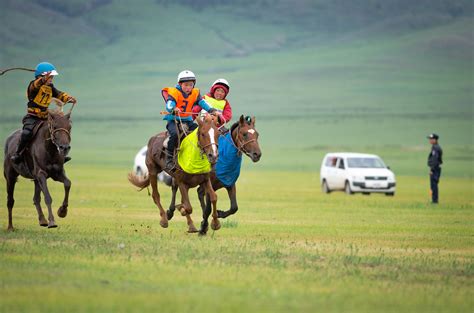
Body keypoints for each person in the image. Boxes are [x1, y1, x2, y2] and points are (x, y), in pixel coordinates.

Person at [11, 62, 77, 164]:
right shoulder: (33, 86)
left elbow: (59, 94)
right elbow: (36, 85)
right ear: (42, 76)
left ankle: (61, 156)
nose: (51, 79)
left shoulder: (50, 87)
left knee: (58, 131)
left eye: (51, 77)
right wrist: (43, 79)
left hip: (45, 117)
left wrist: (68, 98)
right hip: (33, 117)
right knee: (26, 133)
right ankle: (18, 154)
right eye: (50, 77)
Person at [161, 70, 217, 171]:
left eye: (190, 85)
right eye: (185, 85)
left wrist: (212, 110)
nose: (188, 88)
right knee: (174, 134)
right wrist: (173, 109)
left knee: (200, 133)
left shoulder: (195, 93)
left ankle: (202, 155)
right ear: (180, 84)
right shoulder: (174, 92)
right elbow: (169, 104)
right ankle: (169, 159)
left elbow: (202, 102)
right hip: (174, 120)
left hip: (188, 120)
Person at [427, 133, 443, 204]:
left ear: (435, 140)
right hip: (436, 168)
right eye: (429, 139)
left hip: (435, 169)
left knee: (434, 185)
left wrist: (432, 169)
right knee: (433, 185)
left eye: (431, 139)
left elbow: (435, 159)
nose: (430, 140)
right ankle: (434, 200)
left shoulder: (435, 148)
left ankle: (435, 201)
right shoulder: (435, 147)